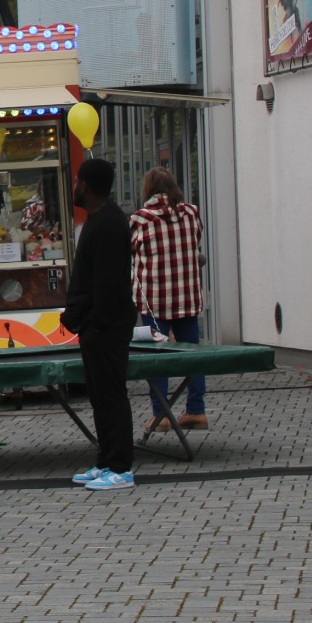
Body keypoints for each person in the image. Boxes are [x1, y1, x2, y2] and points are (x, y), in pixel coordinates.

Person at [64, 158, 136, 491]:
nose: (74, 186)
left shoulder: (109, 223)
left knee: (111, 394)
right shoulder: (97, 220)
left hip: (106, 326)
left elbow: (109, 283)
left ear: (87, 186)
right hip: (94, 326)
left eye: (78, 180)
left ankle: (121, 466)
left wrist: (94, 322)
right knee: (99, 395)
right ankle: (106, 459)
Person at [130, 167, 208, 431]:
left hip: (154, 301)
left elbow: (129, 252)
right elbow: (195, 242)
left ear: (148, 189)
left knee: (156, 358)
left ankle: (161, 415)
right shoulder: (192, 213)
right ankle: (197, 411)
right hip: (187, 297)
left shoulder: (140, 219)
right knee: (193, 356)